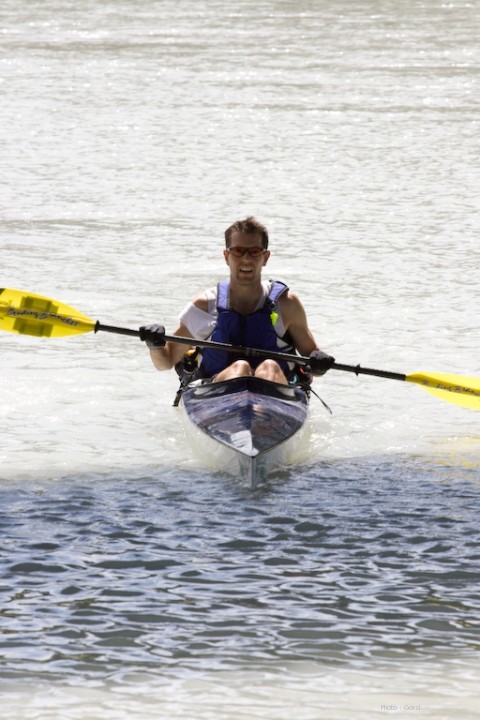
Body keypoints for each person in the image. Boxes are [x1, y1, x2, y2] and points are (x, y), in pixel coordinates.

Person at [140, 216, 335, 385]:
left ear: (265, 257)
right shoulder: (204, 306)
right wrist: (155, 345)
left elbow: (312, 357)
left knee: (269, 366)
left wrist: (319, 364)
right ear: (226, 256)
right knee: (240, 368)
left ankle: (261, 409)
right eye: (238, 251)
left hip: (273, 390)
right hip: (217, 393)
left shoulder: (287, 304)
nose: (246, 259)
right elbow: (165, 361)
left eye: (254, 252)